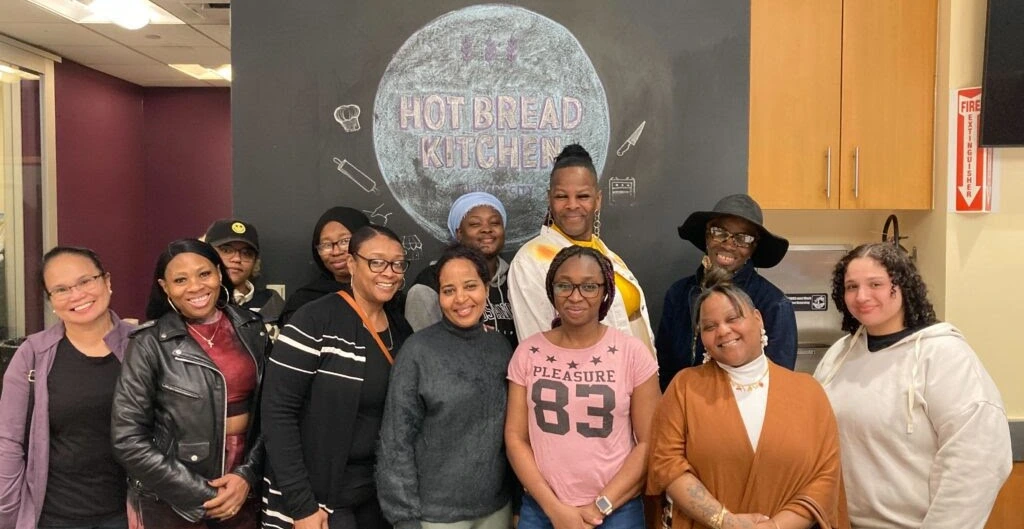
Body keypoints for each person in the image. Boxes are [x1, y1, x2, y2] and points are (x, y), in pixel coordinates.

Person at [814, 243, 1011, 529]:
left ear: (904, 286)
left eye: (876, 284)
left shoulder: (944, 356)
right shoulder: (839, 355)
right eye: (851, 286)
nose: (862, 296)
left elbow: (978, 462)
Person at [648, 266, 847, 529]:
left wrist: (774, 527)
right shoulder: (685, 388)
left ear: (758, 319)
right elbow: (667, 466)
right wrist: (727, 522)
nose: (723, 331)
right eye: (709, 326)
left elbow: (825, 478)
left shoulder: (809, 392)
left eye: (733, 318)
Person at [261, 225, 414, 529]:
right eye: (377, 262)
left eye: (398, 263)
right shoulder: (314, 319)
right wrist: (301, 505)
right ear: (352, 263)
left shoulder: (401, 329)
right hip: (320, 496)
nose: (389, 272)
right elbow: (277, 412)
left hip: (378, 495)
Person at [112, 239, 269, 529]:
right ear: (165, 287)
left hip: (244, 490)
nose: (195, 287)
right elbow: (128, 439)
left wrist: (246, 476)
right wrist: (205, 494)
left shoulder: (253, 329)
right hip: (173, 499)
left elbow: (271, 415)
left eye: (204, 274)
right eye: (180, 280)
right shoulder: (148, 344)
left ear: (219, 273)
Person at [506, 246, 660, 529]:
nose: (575, 296)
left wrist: (599, 507)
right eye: (564, 285)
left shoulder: (632, 353)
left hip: (617, 511)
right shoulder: (528, 352)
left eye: (589, 286)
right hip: (542, 509)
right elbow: (516, 437)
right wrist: (554, 509)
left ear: (605, 291)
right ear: (551, 290)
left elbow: (649, 441)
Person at [378, 244, 514, 529]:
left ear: (486, 287)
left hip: (496, 508)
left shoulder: (500, 347)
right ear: (439, 296)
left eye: (470, 286)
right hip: (434, 515)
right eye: (449, 290)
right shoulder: (418, 351)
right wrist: (403, 517)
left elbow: (511, 433)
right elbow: (396, 440)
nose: (461, 298)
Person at [0, 247, 134, 529]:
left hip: (133, 512)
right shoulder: (33, 354)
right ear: (50, 300)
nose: (77, 295)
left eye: (85, 281)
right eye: (61, 289)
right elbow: (8, 441)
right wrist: (7, 513)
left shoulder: (144, 344)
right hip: (56, 516)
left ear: (107, 281)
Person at [508, 144, 655, 353]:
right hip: (591, 374)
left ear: (598, 200)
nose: (572, 205)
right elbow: (538, 349)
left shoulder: (607, 254)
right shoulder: (530, 260)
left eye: (583, 196)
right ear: (549, 199)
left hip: (638, 371)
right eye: (561, 196)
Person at [656, 194, 796, 389]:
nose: (729, 244)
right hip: (683, 404)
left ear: (753, 248)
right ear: (707, 236)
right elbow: (664, 370)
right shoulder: (678, 294)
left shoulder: (774, 304)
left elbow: (779, 383)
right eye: (719, 232)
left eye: (743, 238)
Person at [405, 192, 517, 347]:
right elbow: (425, 351)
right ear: (459, 233)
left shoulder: (516, 279)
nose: (487, 229)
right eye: (475, 224)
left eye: (495, 223)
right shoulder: (428, 284)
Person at [278, 207, 370, 325]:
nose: (336, 252)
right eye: (326, 245)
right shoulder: (304, 302)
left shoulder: (384, 294)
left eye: (345, 241)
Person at [204, 219, 285, 325]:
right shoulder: (195, 301)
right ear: (206, 254)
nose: (237, 259)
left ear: (255, 261)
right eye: (226, 250)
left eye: (246, 253)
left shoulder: (272, 304)